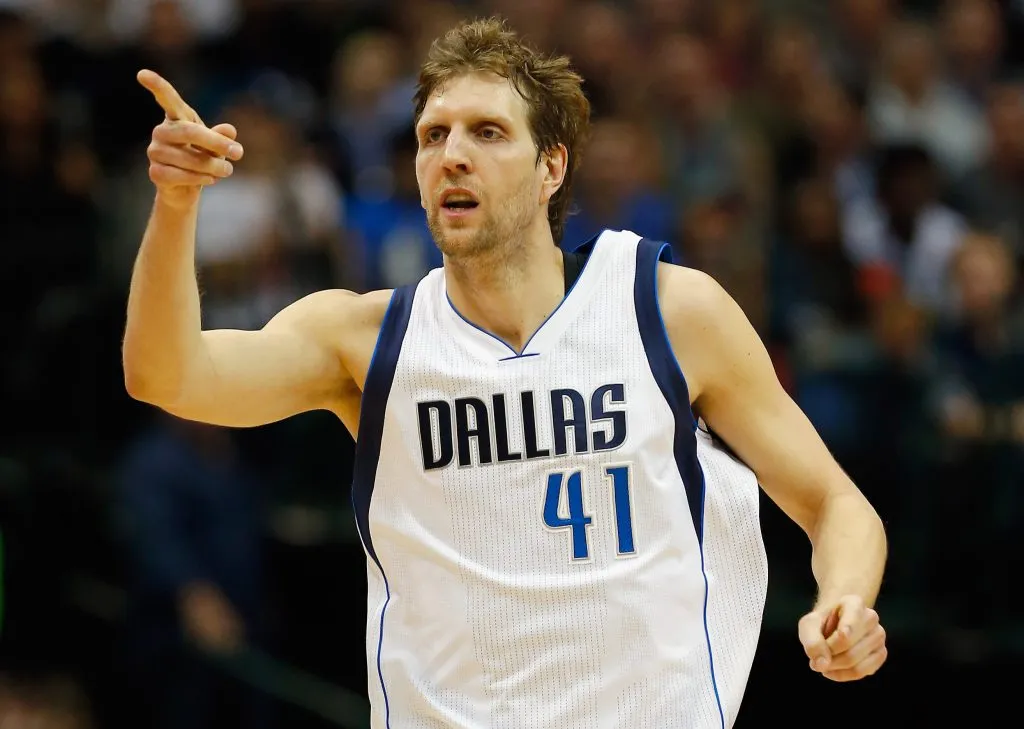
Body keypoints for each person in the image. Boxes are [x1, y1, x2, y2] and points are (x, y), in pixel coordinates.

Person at [123, 17, 888, 729]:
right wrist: (177, 203)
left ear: (551, 165)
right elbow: (167, 375)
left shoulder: (668, 311)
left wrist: (846, 600)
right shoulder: (365, 339)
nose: (451, 153)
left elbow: (835, 504)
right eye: (432, 136)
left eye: (488, 132)